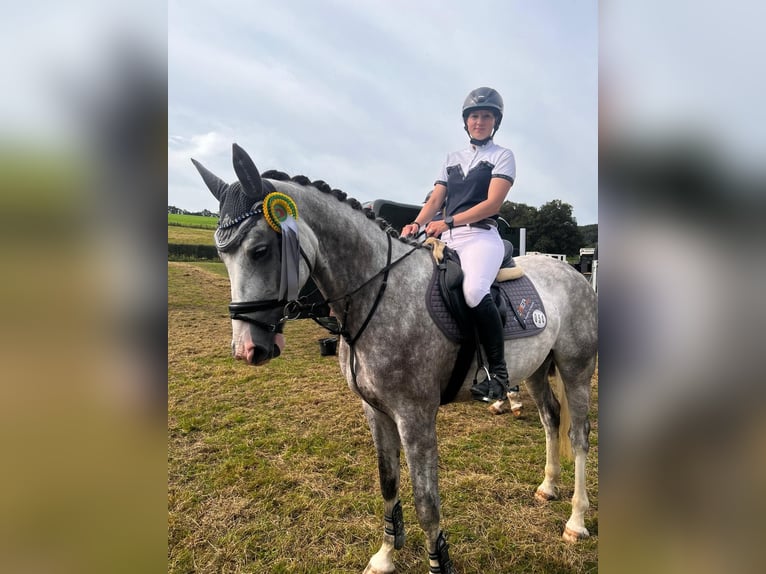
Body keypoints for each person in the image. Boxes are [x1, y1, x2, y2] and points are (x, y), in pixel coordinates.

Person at [402, 86, 517, 404]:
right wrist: (418, 223)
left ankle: (498, 375)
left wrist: (449, 222)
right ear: (466, 122)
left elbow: (493, 204)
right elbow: (437, 199)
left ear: (495, 121)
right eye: (474, 116)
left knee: (474, 291)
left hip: (480, 237)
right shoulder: (451, 159)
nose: (479, 121)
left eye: (486, 116)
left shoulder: (502, 156)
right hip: (446, 237)